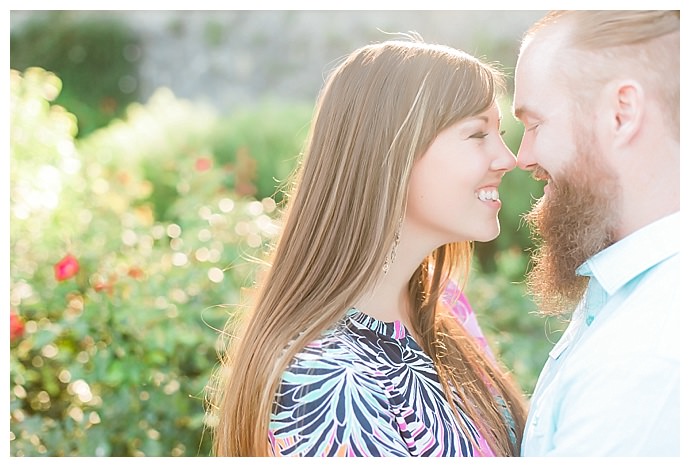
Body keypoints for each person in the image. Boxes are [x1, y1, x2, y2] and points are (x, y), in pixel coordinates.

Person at [205, 35, 528, 456]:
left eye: (499, 133)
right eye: (476, 135)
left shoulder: (444, 306)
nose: (508, 158)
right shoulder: (327, 378)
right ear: (393, 151)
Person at [512, 10, 680, 456]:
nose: (522, 156)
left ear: (621, 114)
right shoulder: (629, 299)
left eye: (534, 124)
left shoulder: (645, 359)